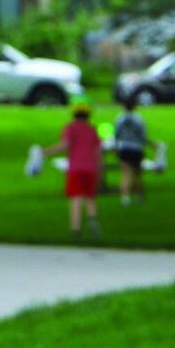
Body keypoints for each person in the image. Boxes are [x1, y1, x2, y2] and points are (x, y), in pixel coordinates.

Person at [41, 101, 103, 240]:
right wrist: (99, 167)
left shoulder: (70, 128)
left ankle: (76, 228)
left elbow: (65, 145)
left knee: (75, 198)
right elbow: (98, 151)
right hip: (90, 168)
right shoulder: (92, 129)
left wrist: (47, 151)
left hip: (75, 168)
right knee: (90, 198)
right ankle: (93, 222)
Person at [113, 96, 149, 206]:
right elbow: (142, 135)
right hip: (136, 148)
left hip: (124, 147)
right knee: (137, 174)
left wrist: (116, 147)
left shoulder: (119, 118)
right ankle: (139, 195)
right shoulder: (139, 119)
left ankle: (125, 197)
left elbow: (116, 134)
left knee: (125, 174)